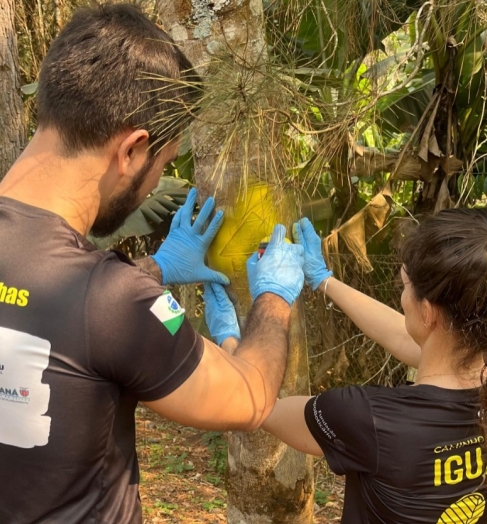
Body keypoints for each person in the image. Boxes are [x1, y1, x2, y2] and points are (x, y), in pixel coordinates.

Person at [0, 4, 305, 523]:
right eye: (161, 165)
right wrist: (275, 298)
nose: (150, 186)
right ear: (132, 149)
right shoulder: (114, 302)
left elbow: (57, 315)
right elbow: (250, 397)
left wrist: (155, 271)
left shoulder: (107, 298)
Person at [205, 210, 487, 523]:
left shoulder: (368, 418)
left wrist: (231, 338)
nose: (402, 297)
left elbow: (259, 404)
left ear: (428, 313)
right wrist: (323, 280)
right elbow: (406, 337)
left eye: (405, 286)